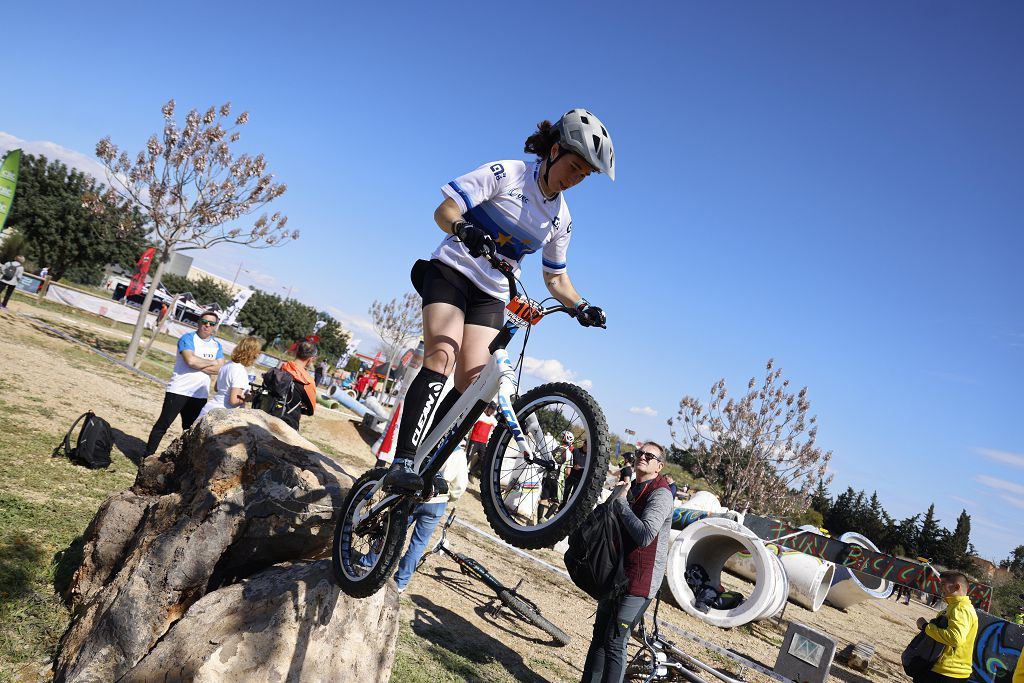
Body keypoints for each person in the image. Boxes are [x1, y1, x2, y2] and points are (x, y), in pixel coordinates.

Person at [383, 108, 614, 493]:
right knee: (441, 356)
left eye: (584, 175)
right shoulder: (507, 173)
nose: (575, 179)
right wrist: (463, 227)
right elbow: (445, 210)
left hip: (492, 293)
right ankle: (403, 459)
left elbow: (556, 277)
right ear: (554, 151)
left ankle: (429, 456)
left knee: (475, 381)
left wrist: (581, 305)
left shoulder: (561, 218)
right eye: (574, 167)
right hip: (452, 273)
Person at [583, 441, 673, 682]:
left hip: (639, 582)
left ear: (659, 466)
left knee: (615, 641)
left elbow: (645, 535)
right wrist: (616, 496)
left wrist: (621, 502)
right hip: (615, 575)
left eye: (649, 456)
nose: (642, 457)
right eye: (640, 454)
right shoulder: (630, 487)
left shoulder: (661, 494)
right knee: (599, 636)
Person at [362, 446, 469, 593]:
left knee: (391, 530)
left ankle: (369, 562)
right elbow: (460, 486)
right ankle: (401, 582)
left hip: (414, 494)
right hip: (438, 501)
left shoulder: (432, 440)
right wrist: (448, 497)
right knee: (418, 543)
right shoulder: (459, 454)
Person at [145, 310, 225, 456]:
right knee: (163, 425)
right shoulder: (187, 338)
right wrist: (211, 363)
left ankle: (183, 462)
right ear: (198, 322)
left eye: (211, 323)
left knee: (191, 430)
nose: (207, 325)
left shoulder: (216, 345)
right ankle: (147, 456)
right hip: (178, 390)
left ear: (215, 326)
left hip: (199, 394)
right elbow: (190, 361)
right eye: (204, 322)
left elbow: (220, 368)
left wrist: (200, 363)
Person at [912, 570, 979, 683]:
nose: (940, 588)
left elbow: (955, 638)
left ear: (956, 586)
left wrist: (925, 627)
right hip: (945, 669)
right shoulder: (954, 606)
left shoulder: (960, 608)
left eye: (943, 584)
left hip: (947, 671)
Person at [199, 336, 262, 418]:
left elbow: (216, 388)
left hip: (210, 409)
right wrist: (248, 398)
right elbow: (233, 401)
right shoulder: (239, 370)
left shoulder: (227, 365)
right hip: (222, 414)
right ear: (252, 354)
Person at [278, 341, 318, 431]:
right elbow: (311, 410)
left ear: (296, 352)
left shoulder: (283, 368)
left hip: (269, 413)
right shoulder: (308, 382)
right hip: (288, 424)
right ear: (311, 359)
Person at [538, 431, 573, 521]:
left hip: (546, 477)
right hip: (558, 480)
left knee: (543, 500)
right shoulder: (569, 454)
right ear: (571, 442)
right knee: (557, 502)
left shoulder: (554, 449)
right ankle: (544, 519)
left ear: (562, 439)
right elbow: (568, 472)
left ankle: (538, 520)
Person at [465, 402, 498, 477]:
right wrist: (468, 436)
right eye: (492, 409)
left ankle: (471, 473)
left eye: (494, 410)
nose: (492, 412)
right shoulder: (480, 415)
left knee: (483, 460)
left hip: (483, 443)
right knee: (468, 458)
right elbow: (470, 425)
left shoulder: (492, 419)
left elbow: (497, 427)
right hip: (474, 440)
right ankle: (460, 474)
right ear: (488, 408)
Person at [561, 436, 588, 506]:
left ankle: (567, 507)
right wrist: (573, 466)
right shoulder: (576, 450)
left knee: (574, 495)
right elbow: (569, 461)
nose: (588, 449)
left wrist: (581, 467)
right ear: (584, 444)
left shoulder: (589, 456)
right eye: (587, 446)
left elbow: (588, 467)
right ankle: (562, 505)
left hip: (580, 478)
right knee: (566, 491)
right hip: (571, 475)